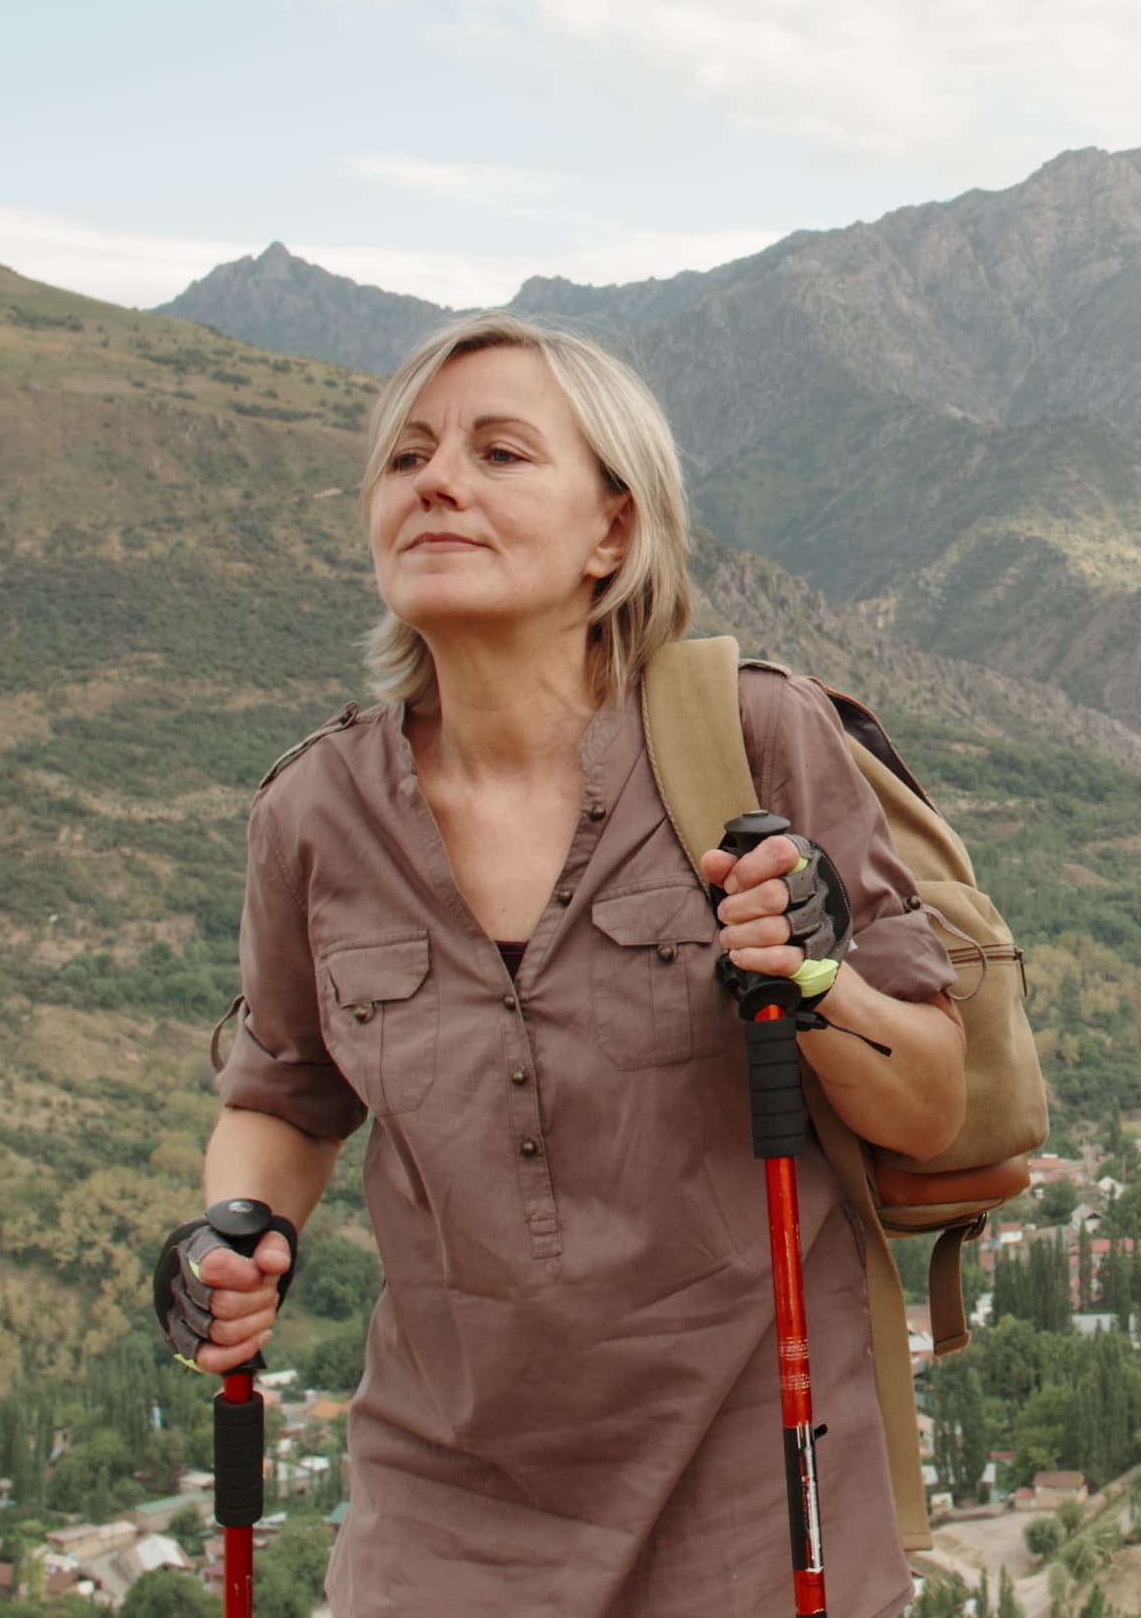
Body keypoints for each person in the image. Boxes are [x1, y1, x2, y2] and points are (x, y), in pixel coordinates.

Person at [155, 315, 966, 1617]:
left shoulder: (754, 737)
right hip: (442, 1503)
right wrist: (239, 1229)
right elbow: (286, 1091)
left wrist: (817, 980)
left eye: (500, 450)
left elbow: (930, 1095)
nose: (436, 479)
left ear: (611, 529)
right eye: (406, 454)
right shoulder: (313, 812)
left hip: (760, 1491)